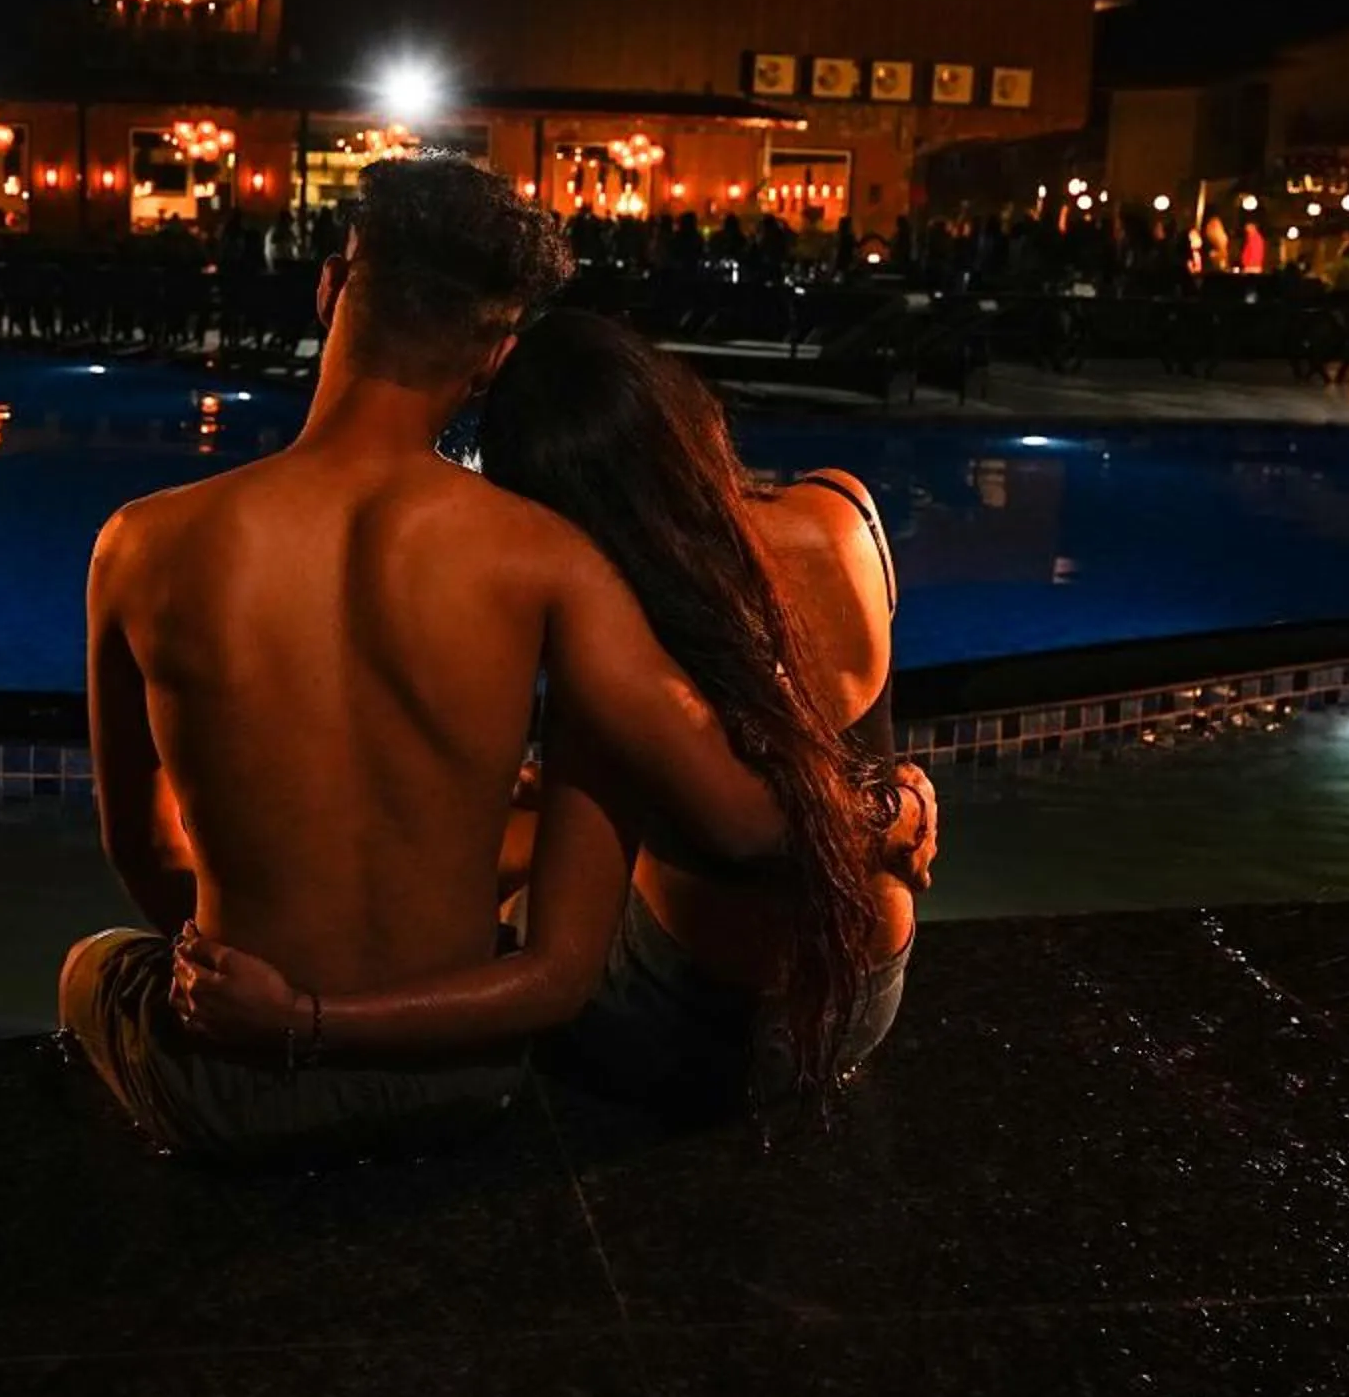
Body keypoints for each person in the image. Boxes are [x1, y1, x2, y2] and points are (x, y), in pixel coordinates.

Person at [62, 154, 924, 1164]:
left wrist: (267, 999)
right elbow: (737, 821)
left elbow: (145, 854)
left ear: (332, 285)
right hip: (468, 1073)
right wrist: (883, 800)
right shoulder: (551, 560)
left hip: (236, 1082)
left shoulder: (139, 540)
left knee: (93, 963)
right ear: (492, 355)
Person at [179, 308, 921, 1122]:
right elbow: (860, 779)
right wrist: (898, 804)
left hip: (713, 1034)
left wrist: (303, 1024)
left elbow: (555, 980)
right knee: (528, 825)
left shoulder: (618, 641)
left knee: (470, 890)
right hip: (871, 986)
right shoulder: (842, 510)